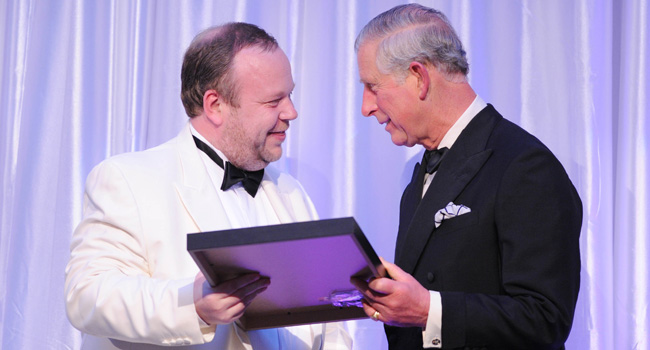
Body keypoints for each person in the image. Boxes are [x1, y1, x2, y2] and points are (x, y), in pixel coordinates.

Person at [65, 22, 352, 350]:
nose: (292, 112)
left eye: (290, 95)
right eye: (274, 101)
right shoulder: (128, 179)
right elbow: (86, 295)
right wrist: (193, 305)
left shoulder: (292, 192)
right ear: (215, 105)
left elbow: (328, 326)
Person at [350, 4, 582, 350]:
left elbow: (546, 317)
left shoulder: (525, 166)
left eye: (372, 86)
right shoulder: (418, 174)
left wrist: (429, 309)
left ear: (418, 77)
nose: (366, 106)